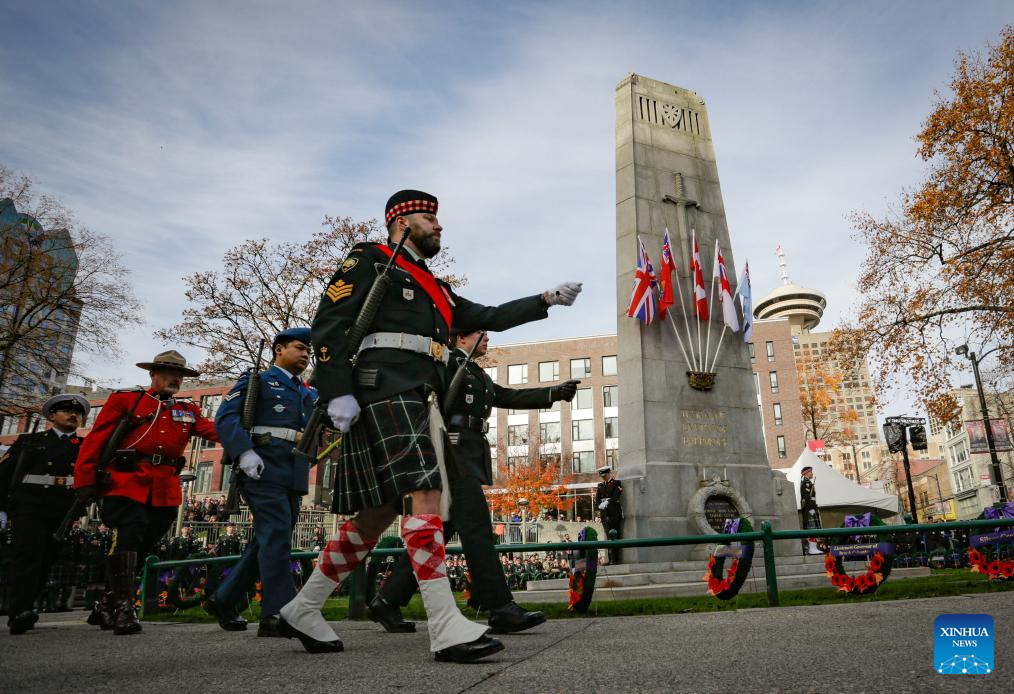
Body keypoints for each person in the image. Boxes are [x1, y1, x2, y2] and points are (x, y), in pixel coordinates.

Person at [277, 189, 581, 663]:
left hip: (418, 392)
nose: (438, 226)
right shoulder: (370, 259)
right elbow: (329, 323)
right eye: (428, 217)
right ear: (400, 222)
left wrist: (544, 299)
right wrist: (335, 389)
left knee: (377, 514)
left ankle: (305, 606)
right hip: (385, 386)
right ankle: (444, 624)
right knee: (427, 493)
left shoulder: (434, 285)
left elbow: (490, 317)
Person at [370, 328, 578, 635]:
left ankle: (387, 600)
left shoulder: (475, 372)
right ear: (461, 337)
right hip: (450, 450)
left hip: (469, 449)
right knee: (478, 529)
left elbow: (506, 395)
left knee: (438, 534)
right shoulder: (445, 362)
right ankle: (500, 607)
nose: (487, 339)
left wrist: (553, 393)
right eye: (481, 333)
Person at [74, 350, 217, 635]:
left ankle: (107, 603)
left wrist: (250, 429)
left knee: (145, 542)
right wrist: (85, 480)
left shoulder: (187, 410)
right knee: (129, 533)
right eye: (167, 373)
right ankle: (124, 608)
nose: (174, 379)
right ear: (152, 374)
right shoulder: (127, 400)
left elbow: (214, 431)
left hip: (164, 488)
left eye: (179, 375)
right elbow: (96, 440)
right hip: (126, 481)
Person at [204, 327, 316, 636]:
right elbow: (226, 419)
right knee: (277, 533)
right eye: (299, 348)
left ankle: (224, 599)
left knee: (269, 538)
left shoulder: (306, 392)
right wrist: (244, 452)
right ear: (279, 349)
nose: (306, 354)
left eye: (309, 351)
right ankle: (276, 614)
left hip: (292, 470)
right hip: (262, 467)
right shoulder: (258, 382)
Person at [0, 393, 89, 634]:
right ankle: (20, 610)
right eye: (67, 411)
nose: (73, 415)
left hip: (62, 508)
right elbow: (5, 475)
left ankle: (28, 605)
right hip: (30, 505)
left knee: (48, 558)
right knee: (27, 556)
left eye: (78, 413)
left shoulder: (84, 447)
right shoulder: (30, 441)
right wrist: (3, 509)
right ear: (51, 415)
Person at [596, 466, 623, 565]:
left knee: (615, 535)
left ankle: (614, 559)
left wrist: (607, 502)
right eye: (602, 476)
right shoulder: (600, 485)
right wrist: (599, 505)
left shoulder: (616, 483)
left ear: (609, 473)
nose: (603, 478)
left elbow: (616, 496)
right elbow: (598, 498)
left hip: (614, 513)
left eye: (605, 476)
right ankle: (609, 558)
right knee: (608, 536)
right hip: (604, 513)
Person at [800, 466, 822, 555]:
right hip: (809, 508)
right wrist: (810, 508)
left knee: (813, 527)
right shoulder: (806, 483)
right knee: (812, 527)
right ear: (806, 473)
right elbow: (806, 497)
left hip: (811, 506)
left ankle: (813, 547)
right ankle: (812, 548)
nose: (812, 473)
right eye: (810, 472)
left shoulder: (808, 482)